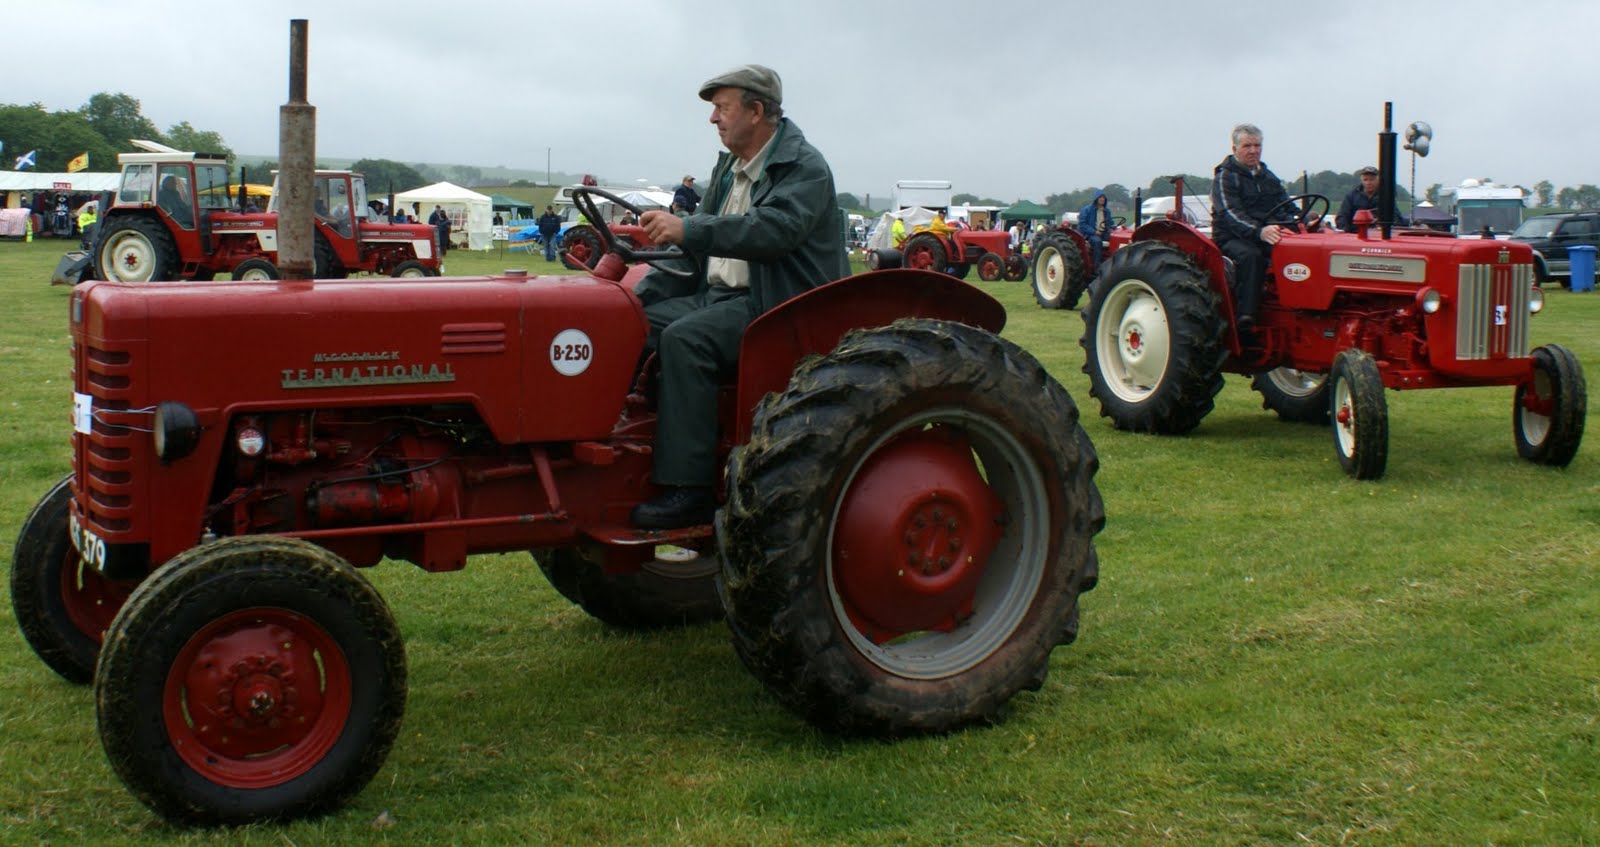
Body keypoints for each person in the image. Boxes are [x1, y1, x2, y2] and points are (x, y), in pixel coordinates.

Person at [629, 64, 849, 529]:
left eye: (722, 108)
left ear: (756, 111)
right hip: (717, 296)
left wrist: (689, 228)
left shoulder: (803, 167)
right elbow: (694, 251)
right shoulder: (730, 168)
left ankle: (687, 489)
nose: (713, 118)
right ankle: (617, 451)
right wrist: (630, 300)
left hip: (778, 303)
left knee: (686, 340)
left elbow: (773, 230)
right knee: (629, 324)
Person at [1210, 123, 1307, 331]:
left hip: (1267, 233)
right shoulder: (1225, 178)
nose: (1253, 151)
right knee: (1251, 256)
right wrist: (1258, 231)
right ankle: (1246, 316)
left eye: (1257, 145)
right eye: (1247, 146)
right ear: (1235, 149)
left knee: (1298, 251)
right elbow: (1230, 214)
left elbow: (1286, 206)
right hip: (1232, 237)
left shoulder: (1268, 177)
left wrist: (1304, 220)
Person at [1336, 165, 1409, 232]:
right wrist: (1345, 230)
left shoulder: (1386, 197)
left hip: (1378, 234)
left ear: (1378, 180)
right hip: (1356, 234)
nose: (1368, 183)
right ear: (1361, 180)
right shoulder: (1351, 196)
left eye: (1372, 180)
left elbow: (1396, 218)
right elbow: (1342, 216)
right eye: (1365, 180)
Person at [1077, 190, 1113, 265]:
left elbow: (1110, 223)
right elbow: (1082, 224)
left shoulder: (1107, 211)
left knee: (1115, 239)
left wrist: (1117, 227)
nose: (1102, 199)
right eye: (1100, 197)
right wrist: (1094, 231)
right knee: (1097, 242)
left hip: (1104, 233)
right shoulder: (1087, 210)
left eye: (1103, 197)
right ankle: (1097, 266)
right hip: (1091, 234)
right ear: (1096, 199)